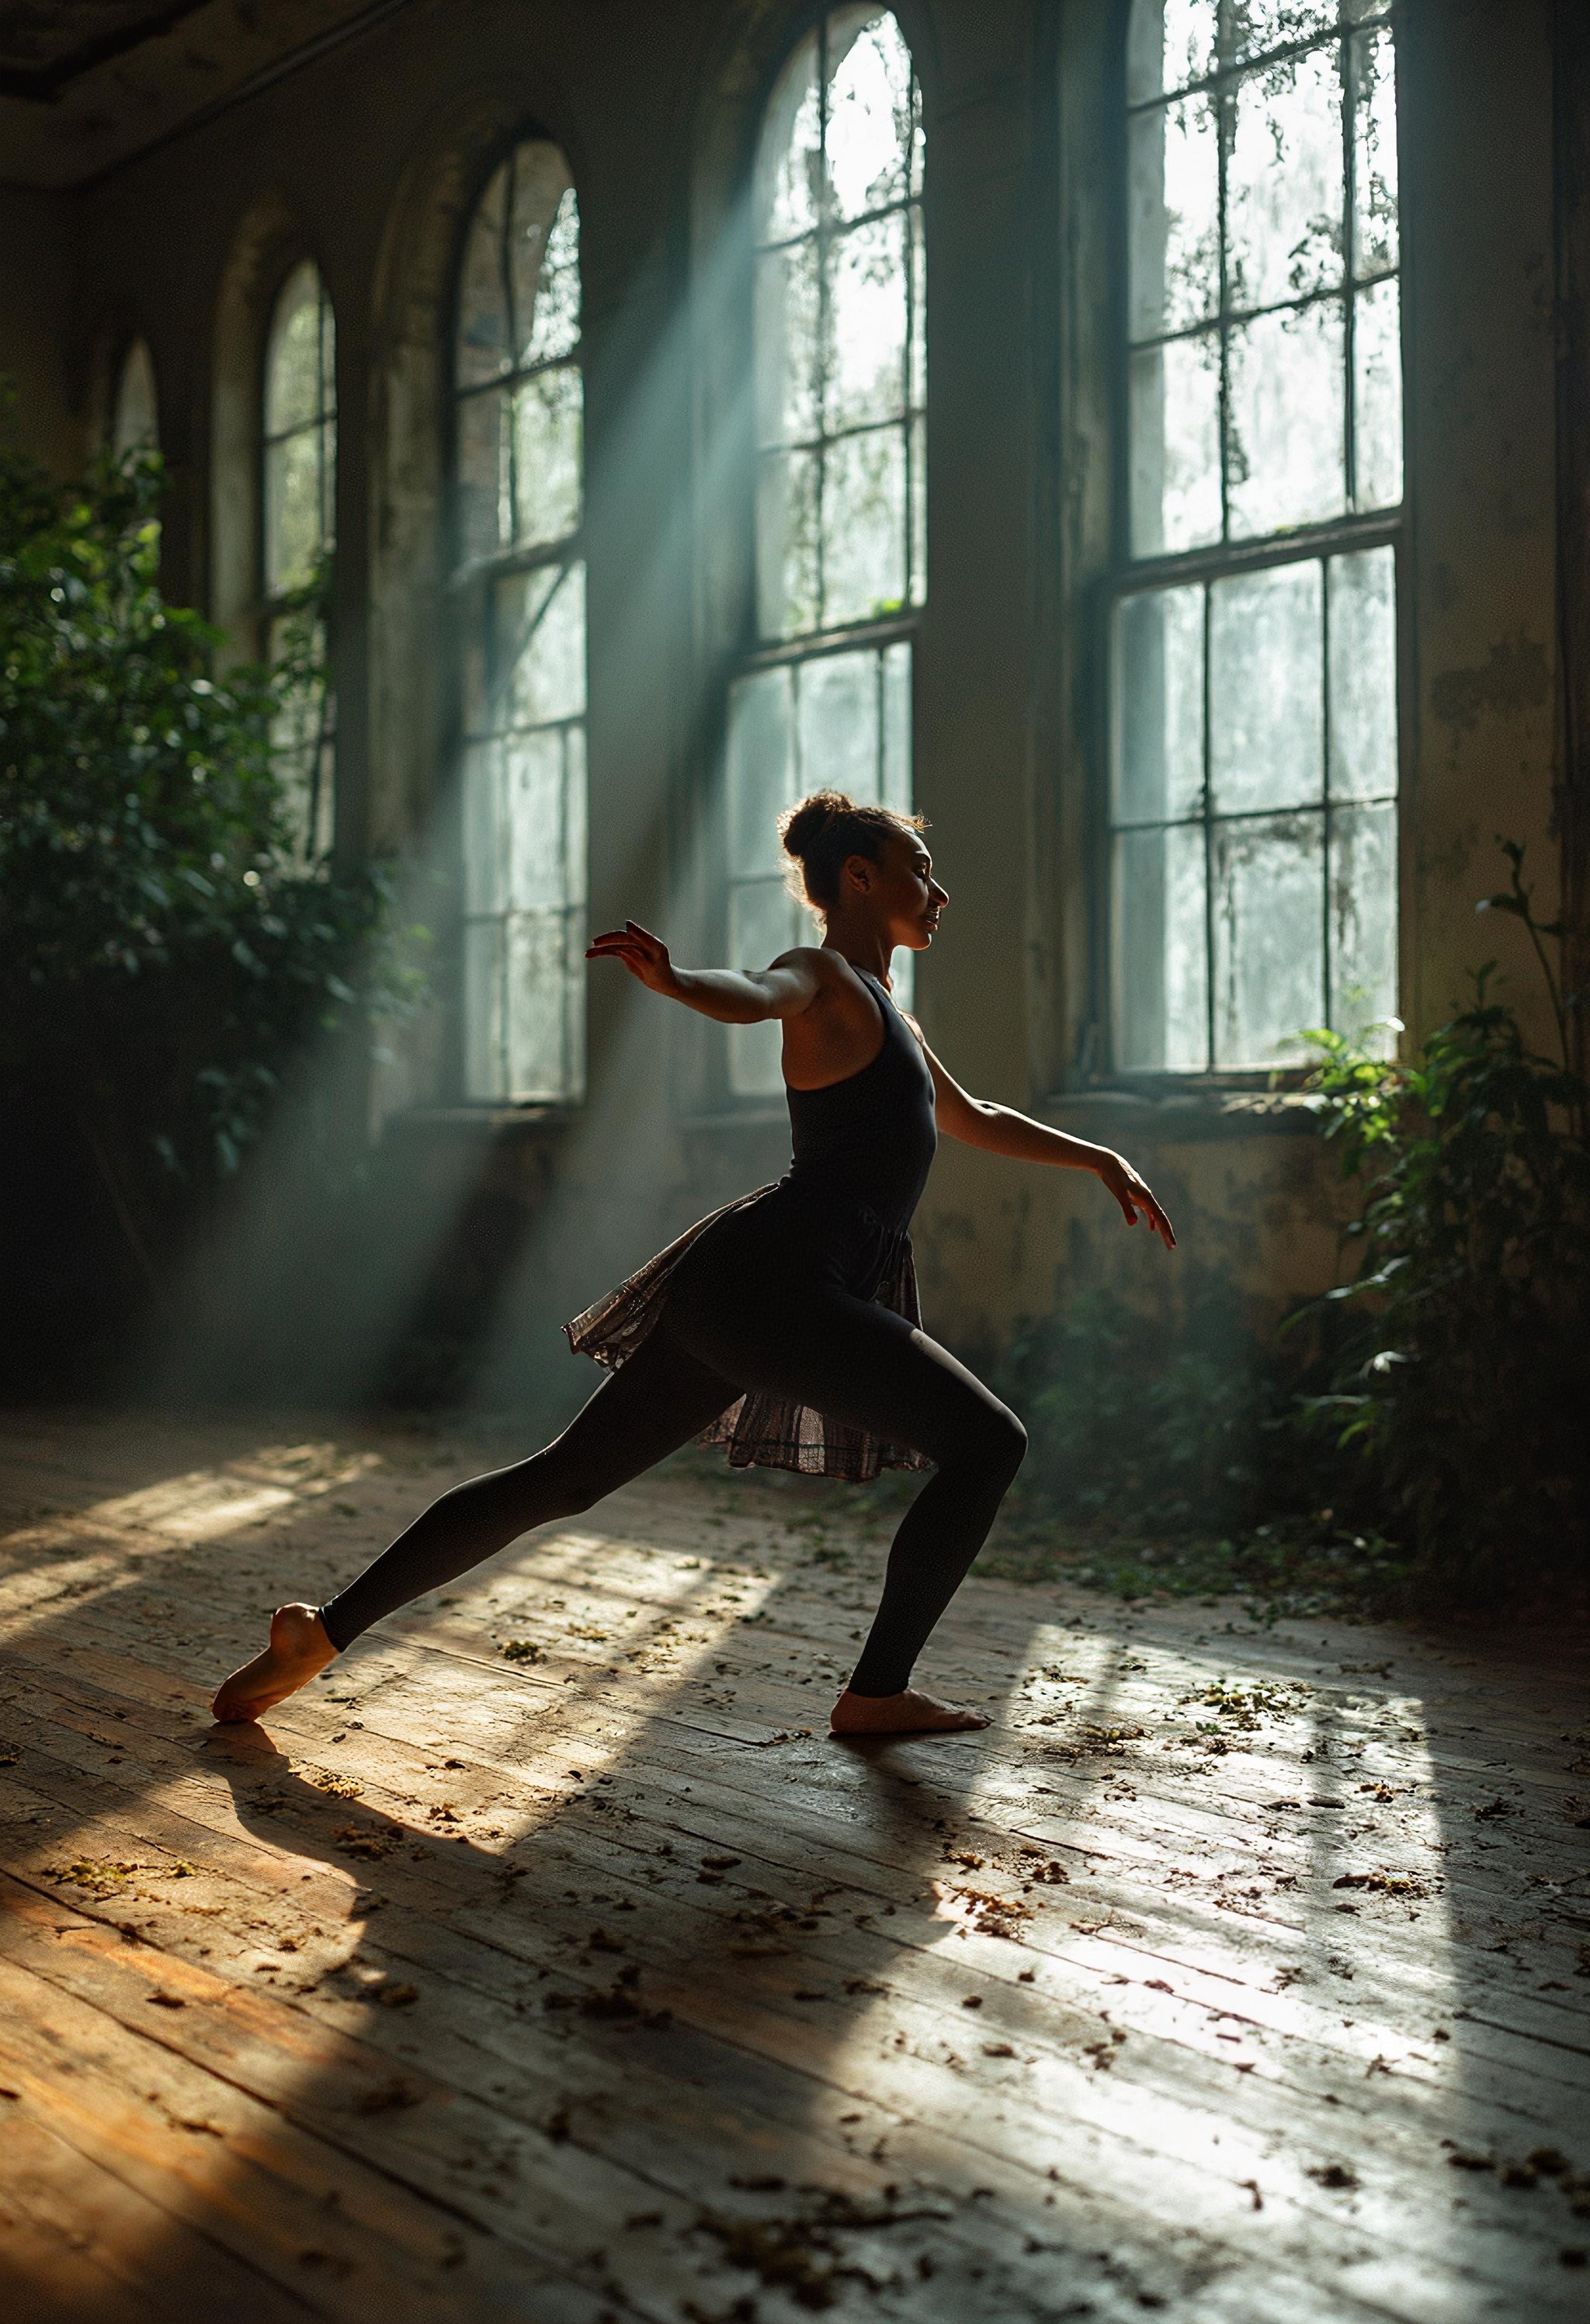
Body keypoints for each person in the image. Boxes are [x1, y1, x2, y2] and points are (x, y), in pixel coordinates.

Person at [213, 791, 1175, 1735]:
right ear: (858, 877)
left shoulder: (892, 1017)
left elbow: (972, 1119)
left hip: (750, 1290)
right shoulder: (821, 975)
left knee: (564, 1477)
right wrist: (677, 985)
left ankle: (319, 1632)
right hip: (777, 1284)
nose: (939, 890)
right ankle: (877, 1692)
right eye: (920, 872)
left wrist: (1097, 1157)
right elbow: (759, 994)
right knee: (987, 1443)